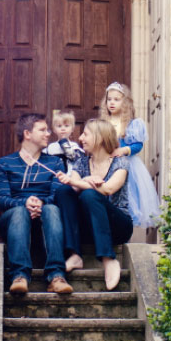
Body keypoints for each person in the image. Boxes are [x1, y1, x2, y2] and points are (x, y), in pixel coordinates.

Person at [0, 112, 73, 296]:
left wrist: (41, 203)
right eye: (43, 130)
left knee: (52, 209)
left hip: (47, 218)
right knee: (19, 211)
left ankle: (56, 276)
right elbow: (3, 200)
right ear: (27, 134)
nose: (48, 134)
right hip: (14, 220)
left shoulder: (55, 163)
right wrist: (25, 202)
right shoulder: (4, 164)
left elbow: (57, 195)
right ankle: (19, 276)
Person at [55, 118, 133, 290]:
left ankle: (108, 258)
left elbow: (109, 189)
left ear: (99, 137)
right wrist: (86, 179)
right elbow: (72, 184)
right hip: (90, 228)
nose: (81, 138)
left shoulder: (120, 162)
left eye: (86, 134)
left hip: (118, 227)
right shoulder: (82, 161)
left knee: (90, 194)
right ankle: (75, 254)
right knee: (64, 191)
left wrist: (83, 183)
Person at [99, 81, 160, 228]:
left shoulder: (132, 124)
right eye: (109, 99)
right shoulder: (103, 123)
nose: (112, 103)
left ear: (125, 103)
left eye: (117, 99)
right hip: (107, 165)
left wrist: (123, 150)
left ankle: (125, 230)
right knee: (107, 195)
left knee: (129, 197)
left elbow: (138, 145)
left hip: (129, 166)